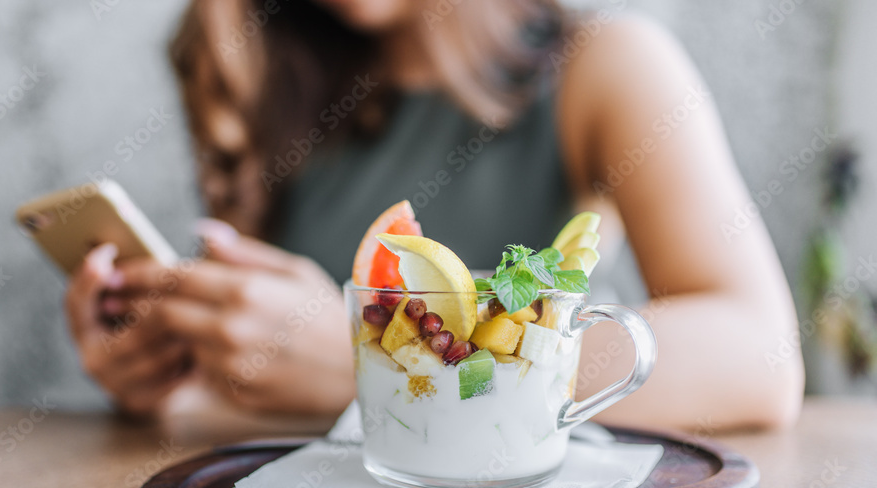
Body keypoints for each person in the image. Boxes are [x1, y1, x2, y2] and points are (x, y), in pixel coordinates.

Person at [64, 0, 805, 431]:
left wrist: (379, 365)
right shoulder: (256, 72)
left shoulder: (605, 66)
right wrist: (170, 382)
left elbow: (758, 356)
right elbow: (274, 398)